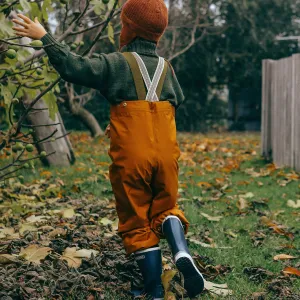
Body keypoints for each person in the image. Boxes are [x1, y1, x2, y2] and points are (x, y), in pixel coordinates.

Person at [12, 0, 205, 298]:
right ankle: (180, 251)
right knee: (165, 206)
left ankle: (153, 288)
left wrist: (44, 37)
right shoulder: (167, 68)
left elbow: (75, 67)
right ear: (159, 34)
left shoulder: (117, 63)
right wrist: (130, 123)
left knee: (136, 216)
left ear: (128, 28)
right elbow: (170, 104)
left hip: (133, 157)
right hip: (167, 153)